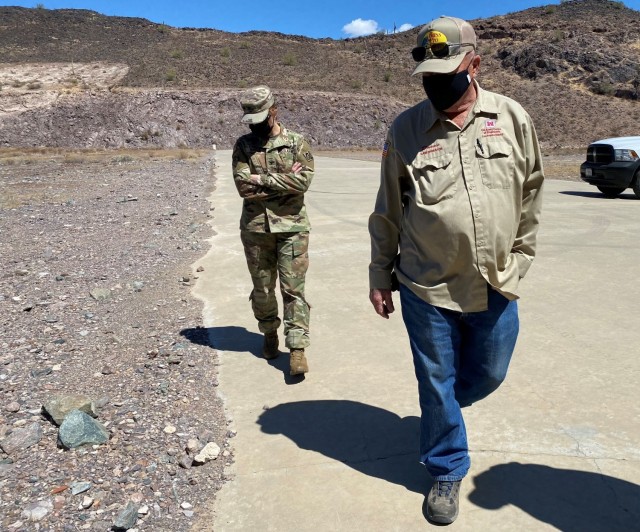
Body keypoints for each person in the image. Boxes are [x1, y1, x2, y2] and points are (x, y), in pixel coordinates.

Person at [368, 16, 544, 524]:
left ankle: (439, 413)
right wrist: (381, 274)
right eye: (427, 73)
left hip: (495, 281)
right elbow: (388, 209)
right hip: (427, 284)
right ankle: (446, 466)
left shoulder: (512, 119)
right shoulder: (405, 128)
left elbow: (531, 191)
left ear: (474, 64)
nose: (435, 83)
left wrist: (521, 257)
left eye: (446, 71)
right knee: (436, 378)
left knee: (488, 373)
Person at [232, 85, 314, 376]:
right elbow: (243, 187)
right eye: (250, 119)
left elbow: (303, 182)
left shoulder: (295, 142)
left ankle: (297, 349)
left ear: (274, 110)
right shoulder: (243, 145)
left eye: (261, 118)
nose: (256, 125)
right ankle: (269, 333)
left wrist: (260, 179)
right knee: (264, 290)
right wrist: (281, 180)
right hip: (256, 230)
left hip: (292, 228)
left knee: (293, 290)